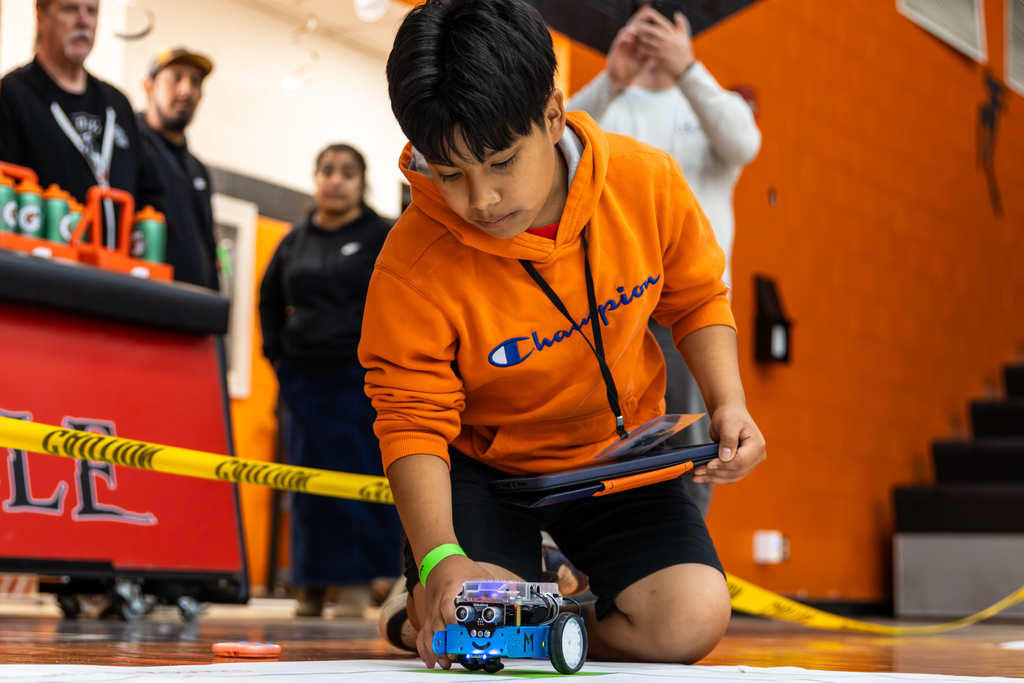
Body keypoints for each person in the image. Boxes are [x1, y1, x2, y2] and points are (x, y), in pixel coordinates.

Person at [362, 0, 766, 667]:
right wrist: (440, 557)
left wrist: (730, 402)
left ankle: (549, 610)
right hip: (486, 471)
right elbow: (409, 419)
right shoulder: (412, 262)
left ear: (552, 115)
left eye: (499, 162)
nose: (481, 200)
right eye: (450, 172)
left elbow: (696, 298)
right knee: (481, 625)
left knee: (688, 621)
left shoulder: (647, 182)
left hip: (616, 456)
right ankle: (419, 612)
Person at [569, 1, 761, 509]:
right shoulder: (610, 104)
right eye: (642, 24)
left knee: (687, 449)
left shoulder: (707, 102)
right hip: (604, 307)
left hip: (683, 311)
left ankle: (684, 562)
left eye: (662, 25)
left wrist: (688, 68)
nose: (650, 36)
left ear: (683, 29)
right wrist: (613, 76)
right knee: (598, 443)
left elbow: (744, 143)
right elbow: (554, 144)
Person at [259, 144, 403, 618]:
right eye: (327, 171)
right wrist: (278, 357)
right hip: (304, 385)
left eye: (347, 172)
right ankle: (311, 585)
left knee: (361, 481)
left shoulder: (382, 235)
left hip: (360, 382)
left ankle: (359, 584)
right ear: (315, 178)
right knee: (306, 487)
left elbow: (401, 302)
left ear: (363, 183)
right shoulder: (294, 241)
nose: (336, 180)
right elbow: (268, 303)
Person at [0, 0, 162, 248]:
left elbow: (146, 191)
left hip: (116, 276)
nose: (83, 21)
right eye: (70, 9)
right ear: (41, 17)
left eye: (92, 11)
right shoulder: (13, 94)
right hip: (44, 271)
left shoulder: (118, 105)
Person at [137, 47, 219, 290]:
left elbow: (209, 246)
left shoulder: (198, 169)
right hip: (144, 302)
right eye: (176, 78)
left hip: (194, 311)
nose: (186, 89)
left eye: (195, 82)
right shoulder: (129, 146)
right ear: (149, 87)